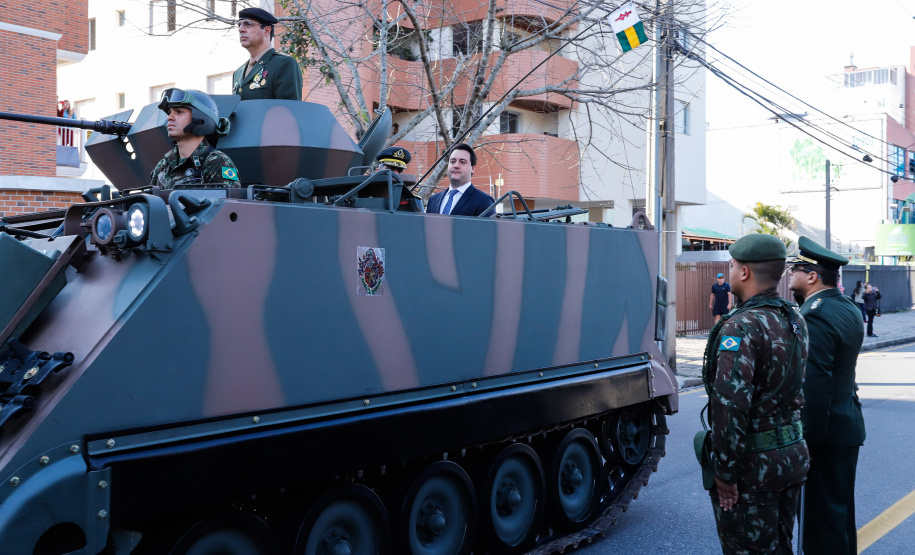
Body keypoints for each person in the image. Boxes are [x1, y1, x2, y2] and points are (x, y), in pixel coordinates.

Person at [702, 233, 809, 554]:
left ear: (744, 272)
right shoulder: (794, 318)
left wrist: (724, 471)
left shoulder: (742, 326)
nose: (731, 271)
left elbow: (730, 405)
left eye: (732, 266)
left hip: (753, 467)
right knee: (781, 544)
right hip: (792, 454)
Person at [786, 236, 865, 555]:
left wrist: (805, 444)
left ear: (812, 276)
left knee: (819, 527)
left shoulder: (814, 315)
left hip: (825, 435)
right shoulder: (845, 306)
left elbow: (814, 388)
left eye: (796, 269)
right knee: (838, 517)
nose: (790, 274)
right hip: (845, 425)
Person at [149, 88, 240, 190]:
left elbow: (227, 205)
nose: (169, 117)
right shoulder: (164, 165)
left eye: (179, 112)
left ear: (201, 118)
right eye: (170, 112)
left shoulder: (216, 162)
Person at [232, 7, 303, 101]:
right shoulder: (238, 72)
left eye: (248, 25)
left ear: (266, 31)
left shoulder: (283, 64)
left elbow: (289, 111)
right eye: (239, 25)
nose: (241, 30)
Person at [426, 143, 495, 216]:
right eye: (452, 161)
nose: (456, 165)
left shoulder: (484, 201)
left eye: (462, 162)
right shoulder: (433, 200)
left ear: (473, 169)